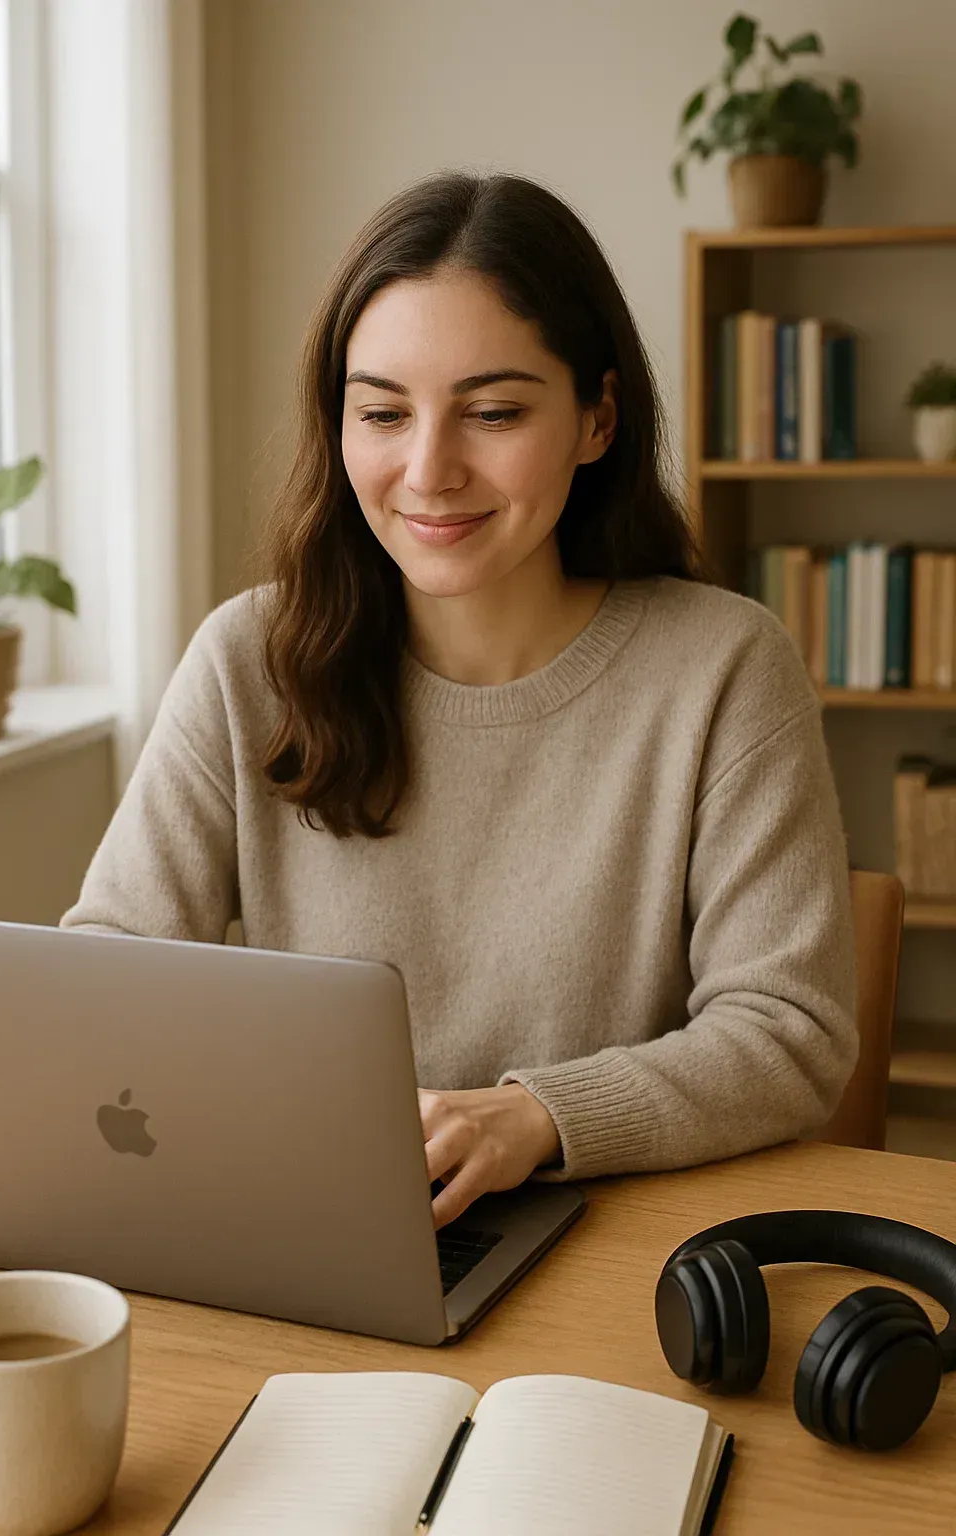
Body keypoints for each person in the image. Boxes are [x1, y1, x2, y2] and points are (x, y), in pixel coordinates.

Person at [60, 169, 858, 1229]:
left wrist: (535, 1117)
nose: (428, 470)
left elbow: (788, 1032)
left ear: (596, 418)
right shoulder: (246, 659)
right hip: (311, 1222)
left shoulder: (723, 668)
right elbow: (103, 974)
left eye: (490, 411)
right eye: (383, 412)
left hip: (612, 1235)